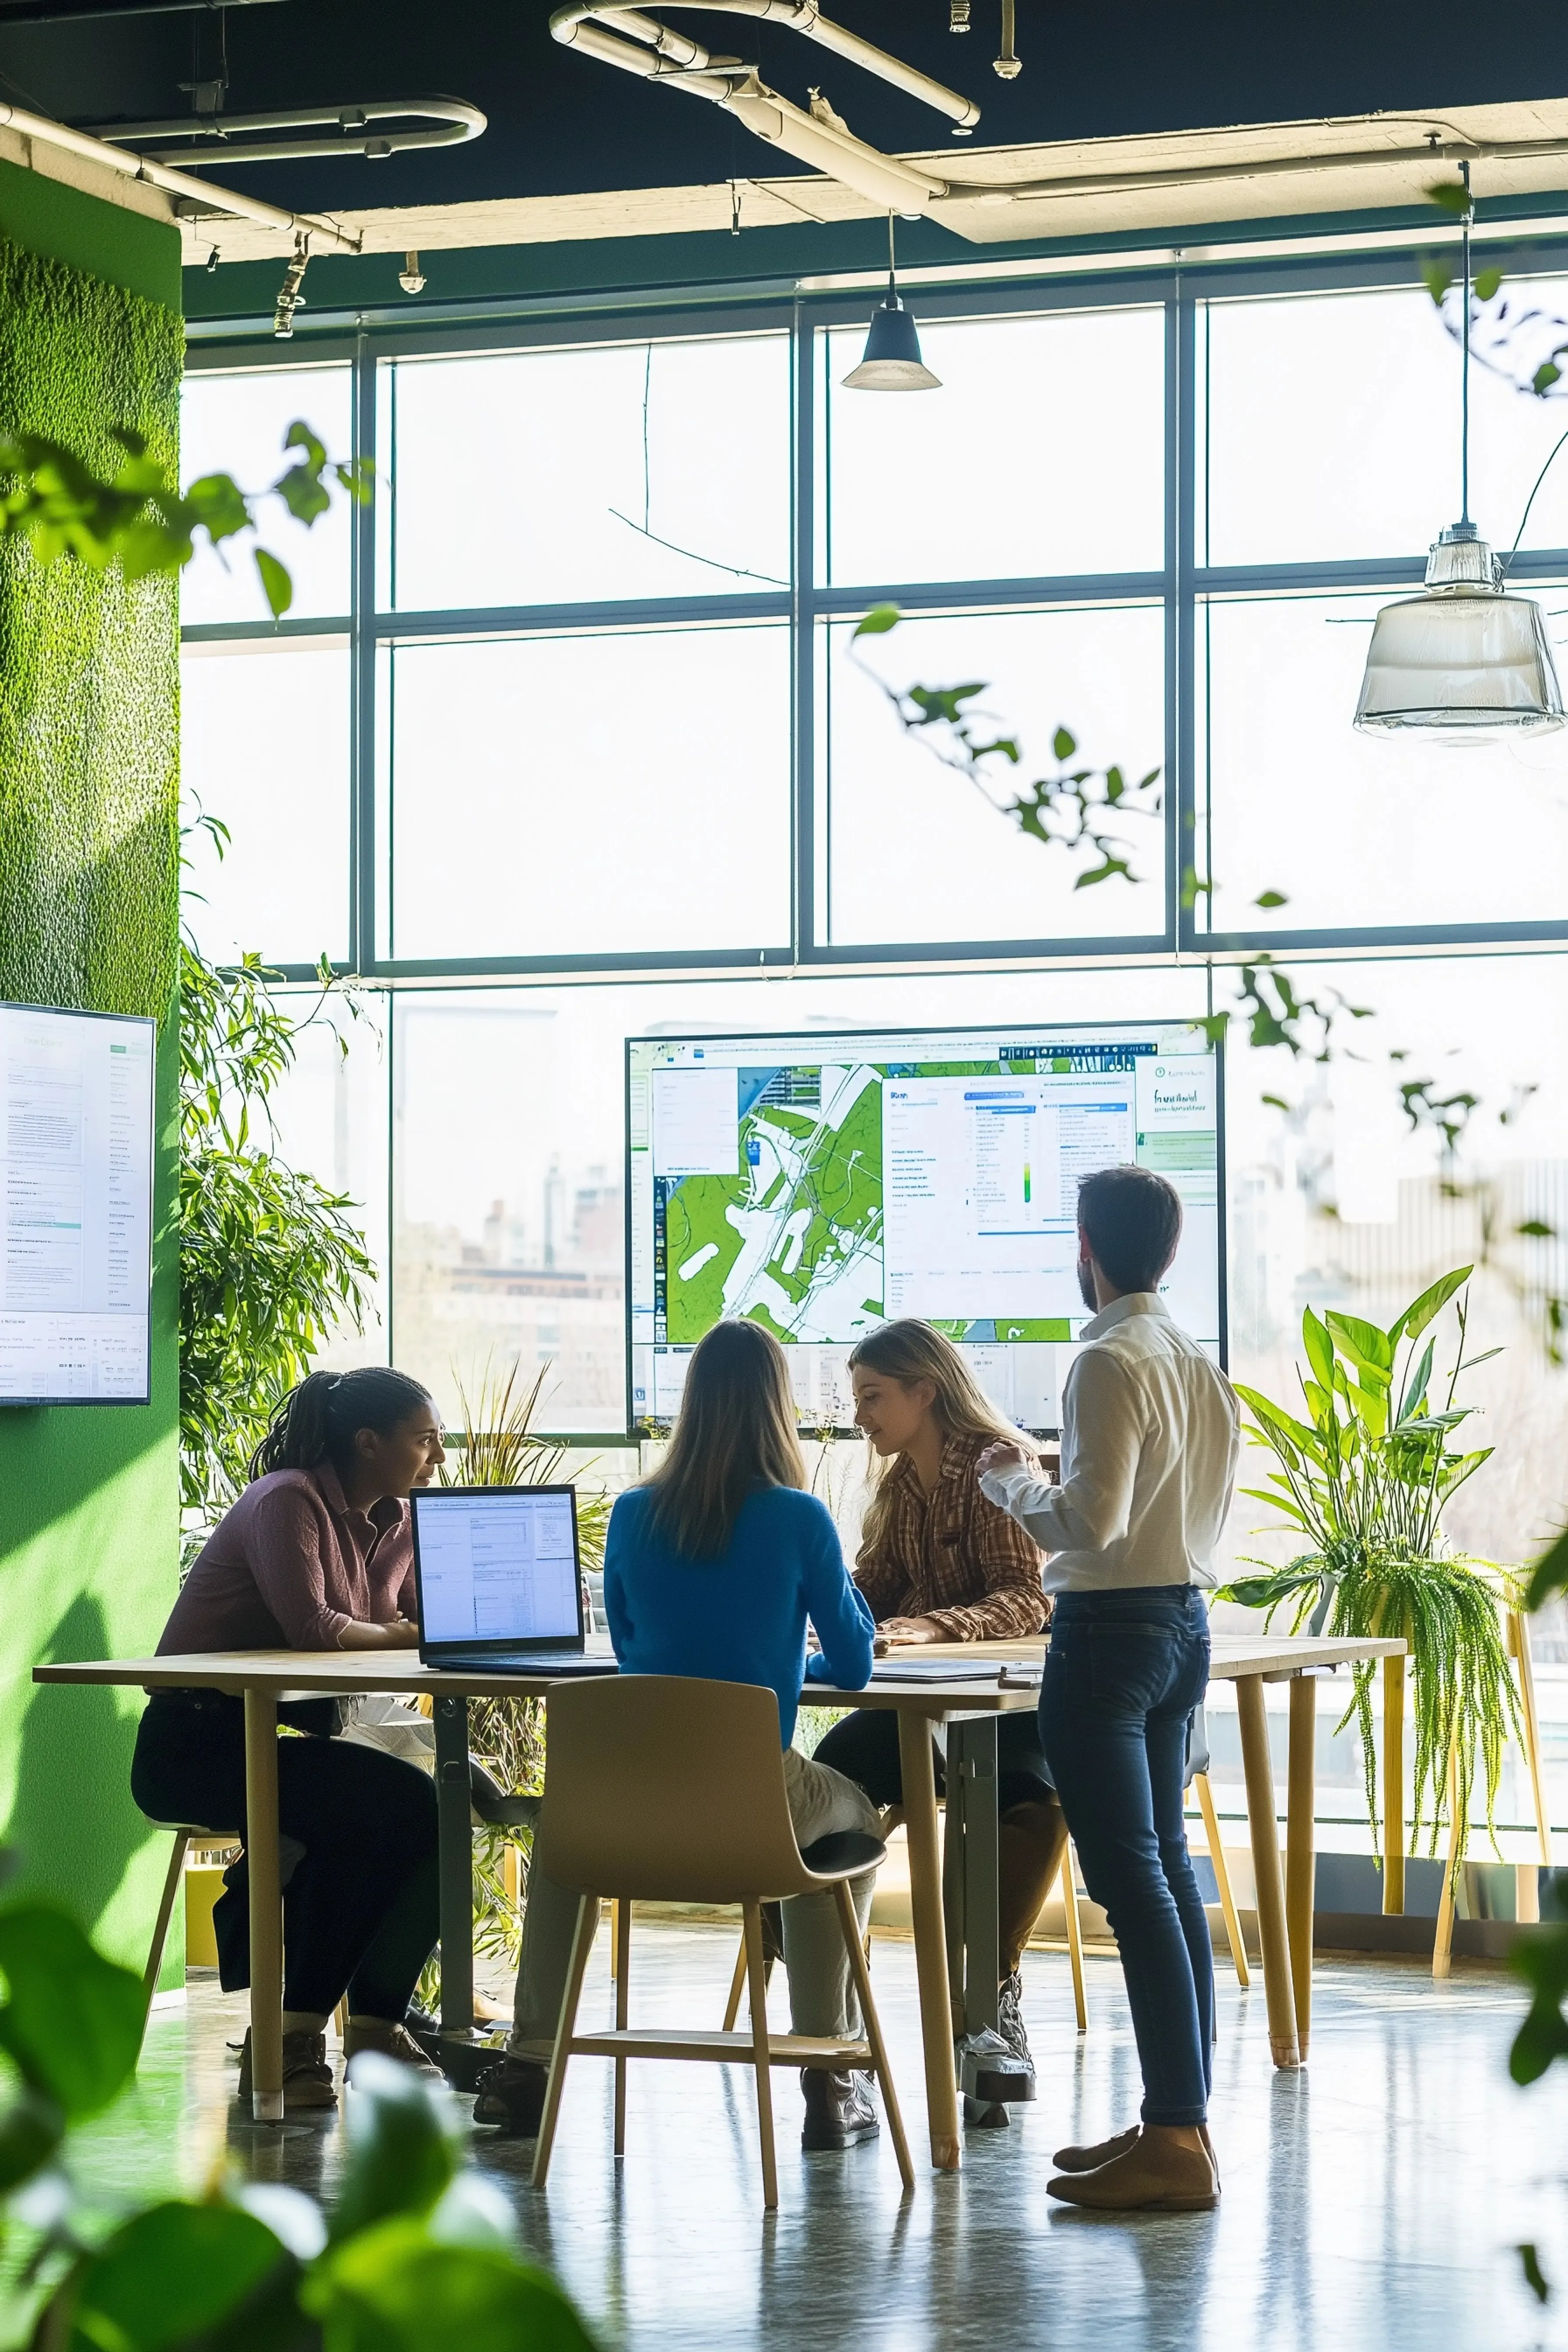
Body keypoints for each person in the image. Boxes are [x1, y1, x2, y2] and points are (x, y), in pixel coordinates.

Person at [474, 1318, 882, 2150]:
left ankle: (528, 2064)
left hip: (630, 1809)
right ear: (780, 1408)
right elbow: (856, 1663)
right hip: (755, 1808)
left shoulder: (631, 1513)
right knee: (858, 1818)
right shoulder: (801, 1517)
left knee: (566, 1837)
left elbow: (634, 1656)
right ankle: (828, 2076)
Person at [976, 1164, 1239, 2212]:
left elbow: (1090, 1525)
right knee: (1166, 1878)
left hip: (1107, 1636)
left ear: (1083, 1246)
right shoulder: (1194, 1362)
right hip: (1183, 1628)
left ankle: (1175, 2138)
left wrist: (1008, 1477)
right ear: (1167, 1254)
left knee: (1131, 1887)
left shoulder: (1102, 1360)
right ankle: (1177, 2121)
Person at [130, 1366, 448, 2114]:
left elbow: (407, 1627)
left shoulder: (399, 1522)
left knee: (424, 1808)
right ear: (369, 1443)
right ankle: (296, 2043)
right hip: (195, 1749)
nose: (438, 1458)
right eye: (424, 1442)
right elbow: (318, 1629)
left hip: (275, 1737)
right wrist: (412, 1632)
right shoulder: (287, 1502)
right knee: (393, 1804)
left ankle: (372, 2027)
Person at [812, 1320, 1066, 2088]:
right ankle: (821, 2013)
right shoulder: (898, 1484)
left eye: (873, 1397)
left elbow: (1028, 1597)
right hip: (918, 1709)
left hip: (1003, 1708)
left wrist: (932, 1626)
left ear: (925, 1390)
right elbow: (873, 1589)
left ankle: (989, 1998)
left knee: (1030, 1801)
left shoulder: (1000, 1466)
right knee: (826, 1784)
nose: (861, 1415)